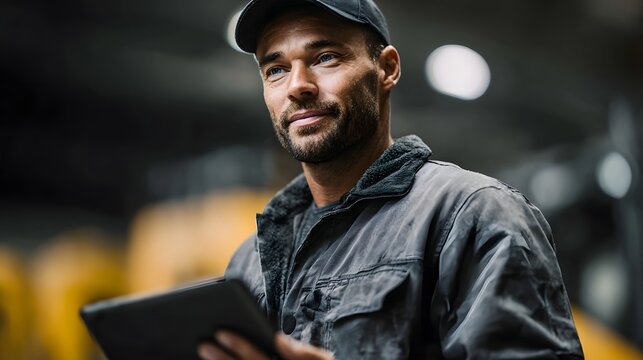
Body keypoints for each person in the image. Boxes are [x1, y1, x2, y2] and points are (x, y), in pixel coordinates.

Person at [197, 0, 585, 359]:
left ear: (387, 69)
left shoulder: (474, 216)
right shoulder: (250, 262)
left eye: (326, 57)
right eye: (276, 70)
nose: (297, 86)